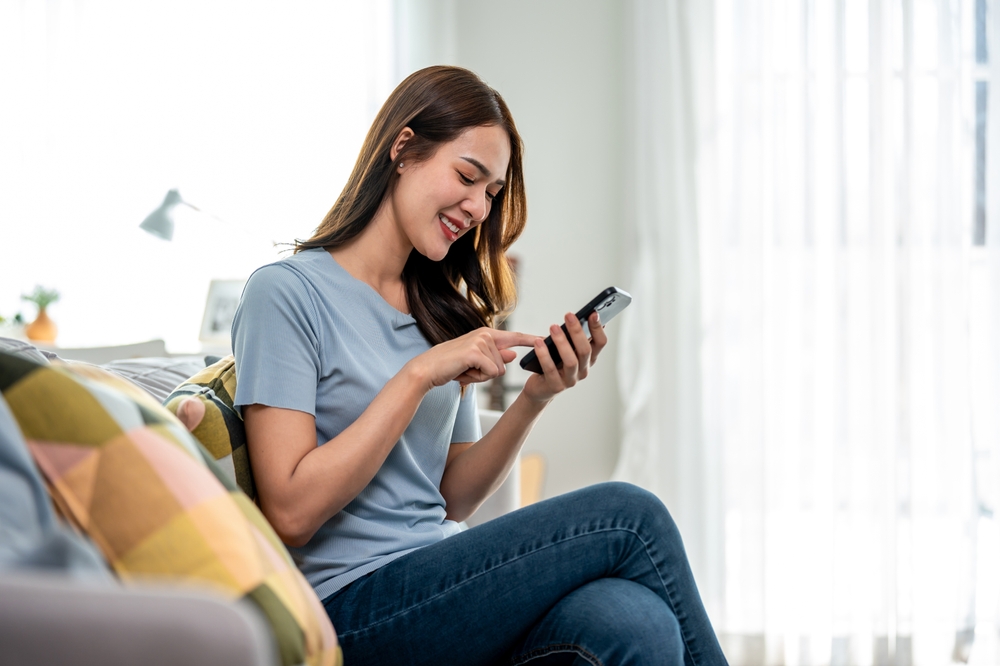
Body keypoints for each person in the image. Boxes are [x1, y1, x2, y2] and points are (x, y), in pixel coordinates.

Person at [232, 65, 728, 666]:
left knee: (635, 619)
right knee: (631, 514)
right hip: (348, 608)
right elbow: (290, 513)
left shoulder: (439, 309)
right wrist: (418, 375)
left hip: (440, 581)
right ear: (403, 149)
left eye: (491, 193)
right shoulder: (285, 294)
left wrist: (535, 397)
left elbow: (451, 498)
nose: (477, 208)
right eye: (468, 177)